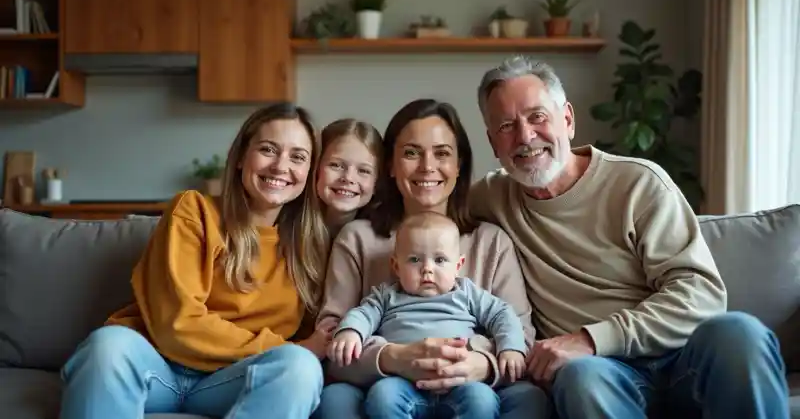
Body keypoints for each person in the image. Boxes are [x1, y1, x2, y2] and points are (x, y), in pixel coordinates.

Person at [470, 55, 790, 419]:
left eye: (538, 116)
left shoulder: (638, 184)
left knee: (740, 333)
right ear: (493, 144)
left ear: (568, 119)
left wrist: (591, 339)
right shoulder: (489, 198)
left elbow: (701, 294)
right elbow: (425, 214)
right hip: (602, 373)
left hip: (681, 358)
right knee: (580, 377)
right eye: (507, 126)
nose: (525, 136)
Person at [59, 103, 332, 419]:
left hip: (230, 381)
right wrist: (281, 346)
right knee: (108, 346)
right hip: (158, 365)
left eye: (298, 156)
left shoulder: (310, 245)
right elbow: (178, 322)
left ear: (310, 172)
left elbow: (309, 346)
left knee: (301, 368)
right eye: (268, 149)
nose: (280, 166)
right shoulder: (194, 211)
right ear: (242, 157)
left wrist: (297, 352)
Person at [313, 98, 550, 419]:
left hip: (473, 383)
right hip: (386, 386)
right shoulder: (357, 238)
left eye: (442, 153)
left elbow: (518, 332)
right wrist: (392, 357)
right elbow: (333, 340)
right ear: (391, 166)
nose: (427, 166)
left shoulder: (491, 241)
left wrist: (477, 361)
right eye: (411, 153)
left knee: (530, 400)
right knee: (336, 401)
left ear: (459, 165)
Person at [329, 211, 528, 419]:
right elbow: (362, 314)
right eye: (414, 259)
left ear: (458, 266)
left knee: (482, 400)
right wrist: (351, 331)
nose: (427, 269)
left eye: (440, 260)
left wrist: (511, 348)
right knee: (382, 397)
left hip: (461, 382)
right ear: (396, 266)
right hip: (402, 380)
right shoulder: (386, 296)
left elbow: (502, 314)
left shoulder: (467, 293)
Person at [317, 118, 382, 239]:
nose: (348, 178)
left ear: (377, 183)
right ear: (315, 167)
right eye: (336, 165)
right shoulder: (288, 230)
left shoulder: (378, 242)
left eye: (364, 171)